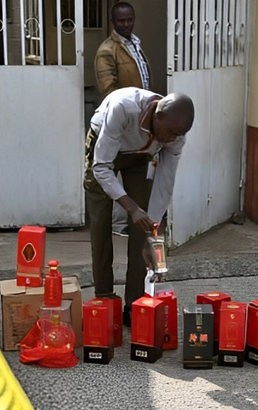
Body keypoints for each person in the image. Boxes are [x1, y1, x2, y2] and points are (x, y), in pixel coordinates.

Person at [84, 88, 194, 325]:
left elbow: (165, 184)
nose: (174, 139)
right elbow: (101, 167)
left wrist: (151, 230)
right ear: (158, 115)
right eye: (171, 132)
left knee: (142, 227)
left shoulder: (175, 135)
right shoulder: (123, 108)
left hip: (140, 155)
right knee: (101, 221)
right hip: (104, 147)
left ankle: (133, 304)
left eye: (180, 135)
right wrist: (130, 207)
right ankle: (104, 299)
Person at [94, 1, 152, 238]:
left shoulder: (135, 44)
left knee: (136, 179)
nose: (126, 24)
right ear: (113, 22)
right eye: (121, 21)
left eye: (129, 20)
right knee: (112, 172)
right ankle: (119, 225)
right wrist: (130, 112)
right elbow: (109, 92)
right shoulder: (107, 51)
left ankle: (130, 223)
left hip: (140, 121)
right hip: (123, 121)